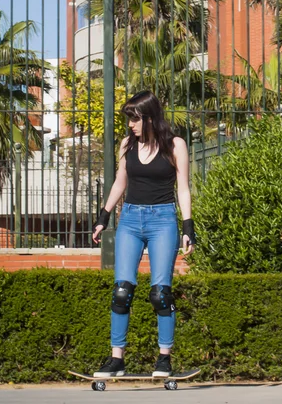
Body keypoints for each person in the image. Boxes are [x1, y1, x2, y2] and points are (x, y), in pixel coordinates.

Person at [92, 90, 196, 378]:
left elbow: (183, 188)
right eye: (129, 119)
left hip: (163, 219)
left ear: (150, 118)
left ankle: (164, 359)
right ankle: (117, 360)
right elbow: (118, 184)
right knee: (121, 292)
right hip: (130, 219)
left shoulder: (175, 145)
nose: (131, 125)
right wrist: (103, 218)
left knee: (160, 293)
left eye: (135, 119)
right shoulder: (128, 144)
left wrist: (188, 227)